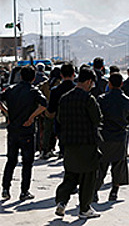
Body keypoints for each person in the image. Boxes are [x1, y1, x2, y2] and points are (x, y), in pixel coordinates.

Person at [54, 68, 102, 219]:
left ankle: (62, 202)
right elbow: (97, 119)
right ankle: (84, 209)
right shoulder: (88, 99)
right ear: (88, 81)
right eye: (92, 83)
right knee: (88, 176)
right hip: (87, 143)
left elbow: (60, 120)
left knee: (70, 174)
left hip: (69, 143)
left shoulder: (64, 98)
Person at [0, 65, 47, 201]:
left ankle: (5, 188)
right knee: (27, 163)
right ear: (33, 78)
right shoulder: (33, 91)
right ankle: (24, 191)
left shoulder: (11, 89)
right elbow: (44, 104)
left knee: (11, 160)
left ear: (20, 76)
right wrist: (32, 117)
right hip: (27, 131)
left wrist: (7, 112)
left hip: (13, 130)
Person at [94, 73, 129, 202]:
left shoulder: (101, 99)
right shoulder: (128, 101)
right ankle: (114, 192)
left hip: (104, 136)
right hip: (120, 136)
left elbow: (96, 117)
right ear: (121, 84)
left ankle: (94, 192)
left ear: (109, 84)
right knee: (119, 165)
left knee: (100, 166)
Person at [47, 63, 76, 159]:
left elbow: (51, 108)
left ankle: (63, 152)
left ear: (61, 75)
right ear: (73, 74)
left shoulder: (55, 90)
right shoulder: (77, 89)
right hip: (76, 122)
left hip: (60, 122)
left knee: (63, 140)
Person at [39, 67, 62, 159]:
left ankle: (45, 150)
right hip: (57, 111)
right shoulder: (58, 84)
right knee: (58, 131)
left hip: (46, 111)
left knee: (47, 131)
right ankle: (55, 149)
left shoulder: (45, 84)